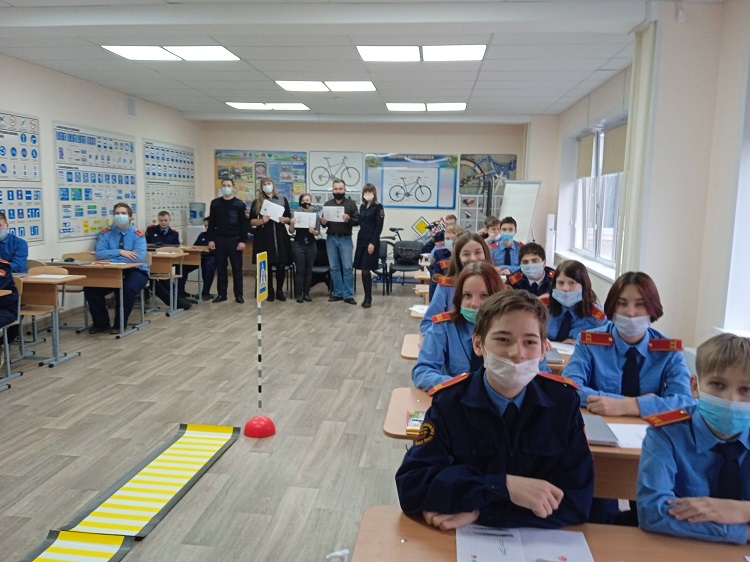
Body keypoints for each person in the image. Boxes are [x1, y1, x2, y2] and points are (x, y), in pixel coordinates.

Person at [396, 290, 594, 530]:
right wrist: (504, 486)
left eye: (530, 342)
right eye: (503, 339)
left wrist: (482, 511)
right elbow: (412, 486)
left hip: (537, 540)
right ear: (478, 344)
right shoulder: (450, 403)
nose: (517, 353)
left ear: (544, 349)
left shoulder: (563, 403)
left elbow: (577, 502)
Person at [637, 333, 750, 544]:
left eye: (746, 389)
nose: (731, 399)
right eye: (717, 384)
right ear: (695, 386)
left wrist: (742, 510)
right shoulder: (666, 433)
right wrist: (744, 532)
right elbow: (653, 511)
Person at [563, 271, 694, 417]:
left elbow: (686, 402)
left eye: (640, 304)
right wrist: (638, 403)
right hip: (600, 420)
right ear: (613, 307)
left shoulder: (669, 351)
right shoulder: (589, 342)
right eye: (621, 303)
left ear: (652, 308)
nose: (630, 312)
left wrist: (630, 406)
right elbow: (568, 387)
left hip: (650, 427)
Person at [412, 262, 505, 390]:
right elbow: (422, 371)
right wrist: (462, 385)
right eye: (467, 295)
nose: (474, 303)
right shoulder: (443, 327)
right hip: (457, 396)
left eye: (484, 296)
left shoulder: (512, 331)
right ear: (458, 298)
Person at [85, 203, 149, 334]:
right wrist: (120, 252)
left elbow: (139, 258)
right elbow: (99, 254)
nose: (120, 216)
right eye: (117, 213)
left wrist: (111, 259)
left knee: (127, 288)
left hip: (136, 271)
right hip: (112, 271)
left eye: (123, 213)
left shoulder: (138, 235)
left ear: (130, 216)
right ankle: (101, 323)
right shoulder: (106, 233)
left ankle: (119, 324)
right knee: (90, 289)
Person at [419, 232, 491, 334]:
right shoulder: (446, 286)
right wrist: (447, 337)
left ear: (485, 254)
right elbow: (427, 324)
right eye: (466, 254)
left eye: (478, 252)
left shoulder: (494, 284)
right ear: (458, 258)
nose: (473, 258)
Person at [249, 177, 292, 301]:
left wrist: (285, 220)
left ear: (273, 185)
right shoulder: (257, 202)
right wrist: (262, 221)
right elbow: (251, 221)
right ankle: (270, 290)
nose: (267, 186)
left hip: (280, 236)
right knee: (266, 264)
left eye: (269, 183)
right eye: (264, 184)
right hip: (264, 236)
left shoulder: (282, 199)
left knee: (281, 265)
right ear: (261, 187)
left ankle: (279, 290)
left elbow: (289, 218)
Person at [207, 178, 249, 304]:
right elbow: (211, 223)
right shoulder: (215, 203)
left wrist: (242, 241)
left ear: (233, 187)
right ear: (221, 187)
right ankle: (222, 294)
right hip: (219, 239)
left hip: (235, 239)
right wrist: (210, 239)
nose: (226, 188)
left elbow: (244, 224)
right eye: (224, 185)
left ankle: (239, 295)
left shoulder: (239, 204)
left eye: (229, 185)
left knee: (237, 269)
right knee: (221, 269)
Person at [547, 260, 607, 343]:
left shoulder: (595, 315)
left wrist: (580, 343)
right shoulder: (545, 307)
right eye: (561, 283)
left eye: (572, 283)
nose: (565, 288)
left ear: (583, 286)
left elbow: (609, 340)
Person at [320, 178, 359, 304]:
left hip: (345, 239)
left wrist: (349, 219)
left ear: (344, 189)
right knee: (334, 267)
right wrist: (323, 222)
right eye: (336, 189)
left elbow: (358, 220)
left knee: (347, 267)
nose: (338, 191)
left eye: (340, 189)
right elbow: (324, 223)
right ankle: (337, 293)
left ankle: (348, 295)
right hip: (331, 238)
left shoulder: (351, 204)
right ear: (332, 190)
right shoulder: (328, 204)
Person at [145, 211, 192, 310]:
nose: (163, 222)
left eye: (165, 220)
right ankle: (177, 301)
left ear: (170, 220)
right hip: (152, 261)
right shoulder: (151, 230)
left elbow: (176, 247)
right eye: (161, 220)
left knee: (167, 278)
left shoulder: (174, 233)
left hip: (167, 261)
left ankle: (178, 299)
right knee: (158, 280)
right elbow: (146, 245)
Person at [353, 184, 384, 309]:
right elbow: (359, 221)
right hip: (361, 240)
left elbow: (379, 227)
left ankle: (368, 298)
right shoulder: (362, 206)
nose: (368, 194)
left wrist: (373, 243)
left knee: (366, 269)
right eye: (366, 192)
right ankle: (366, 296)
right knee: (362, 269)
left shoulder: (378, 207)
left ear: (374, 193)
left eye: (370, 192)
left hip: (371, 242)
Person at [289, 193, 320, 303]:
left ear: (311, 201)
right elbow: (291, 231)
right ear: (300, 202)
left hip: (311, 245)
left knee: (308, 270)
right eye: (303, 200)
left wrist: (313, 231)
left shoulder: (315, 214)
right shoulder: (295, 213)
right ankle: (299, 294)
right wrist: (292, 224)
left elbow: (318, 232)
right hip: (298, 244)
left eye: (308, 200)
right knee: (300, 270)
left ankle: (306, 293)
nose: (306, 202)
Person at [179, 217, 216, 302]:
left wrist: (208, 251)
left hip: (211, 257)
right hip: (199, 257)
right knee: (182, 266)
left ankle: (205, 293)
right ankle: (180, 292)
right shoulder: (202, 235)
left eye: (208, 225)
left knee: (209, 265)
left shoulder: (218, 236)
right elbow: (195, 247)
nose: (206, 227)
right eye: (205, 225)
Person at [427, 224, 463, 301]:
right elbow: (434, 278)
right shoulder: (438, 253)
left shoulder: (465, 256)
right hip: (443, 292)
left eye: (453, 238)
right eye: (447, 238)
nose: (450, 241)